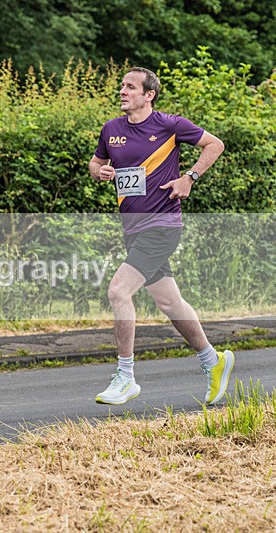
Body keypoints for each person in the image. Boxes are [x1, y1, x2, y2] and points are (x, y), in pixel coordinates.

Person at [89, 66, 233, 406]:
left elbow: (215, 144)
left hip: (163, 225)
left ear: (148, 94)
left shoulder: (169, 125)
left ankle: (125, 377)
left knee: (118, 291)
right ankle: (214, 361)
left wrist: (189, 178)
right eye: (122, 86)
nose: (122, 91)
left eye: (130, 87)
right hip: (133, 229)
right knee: (170, 302)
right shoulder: (112, 130)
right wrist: (101, 171)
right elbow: (95, 164)